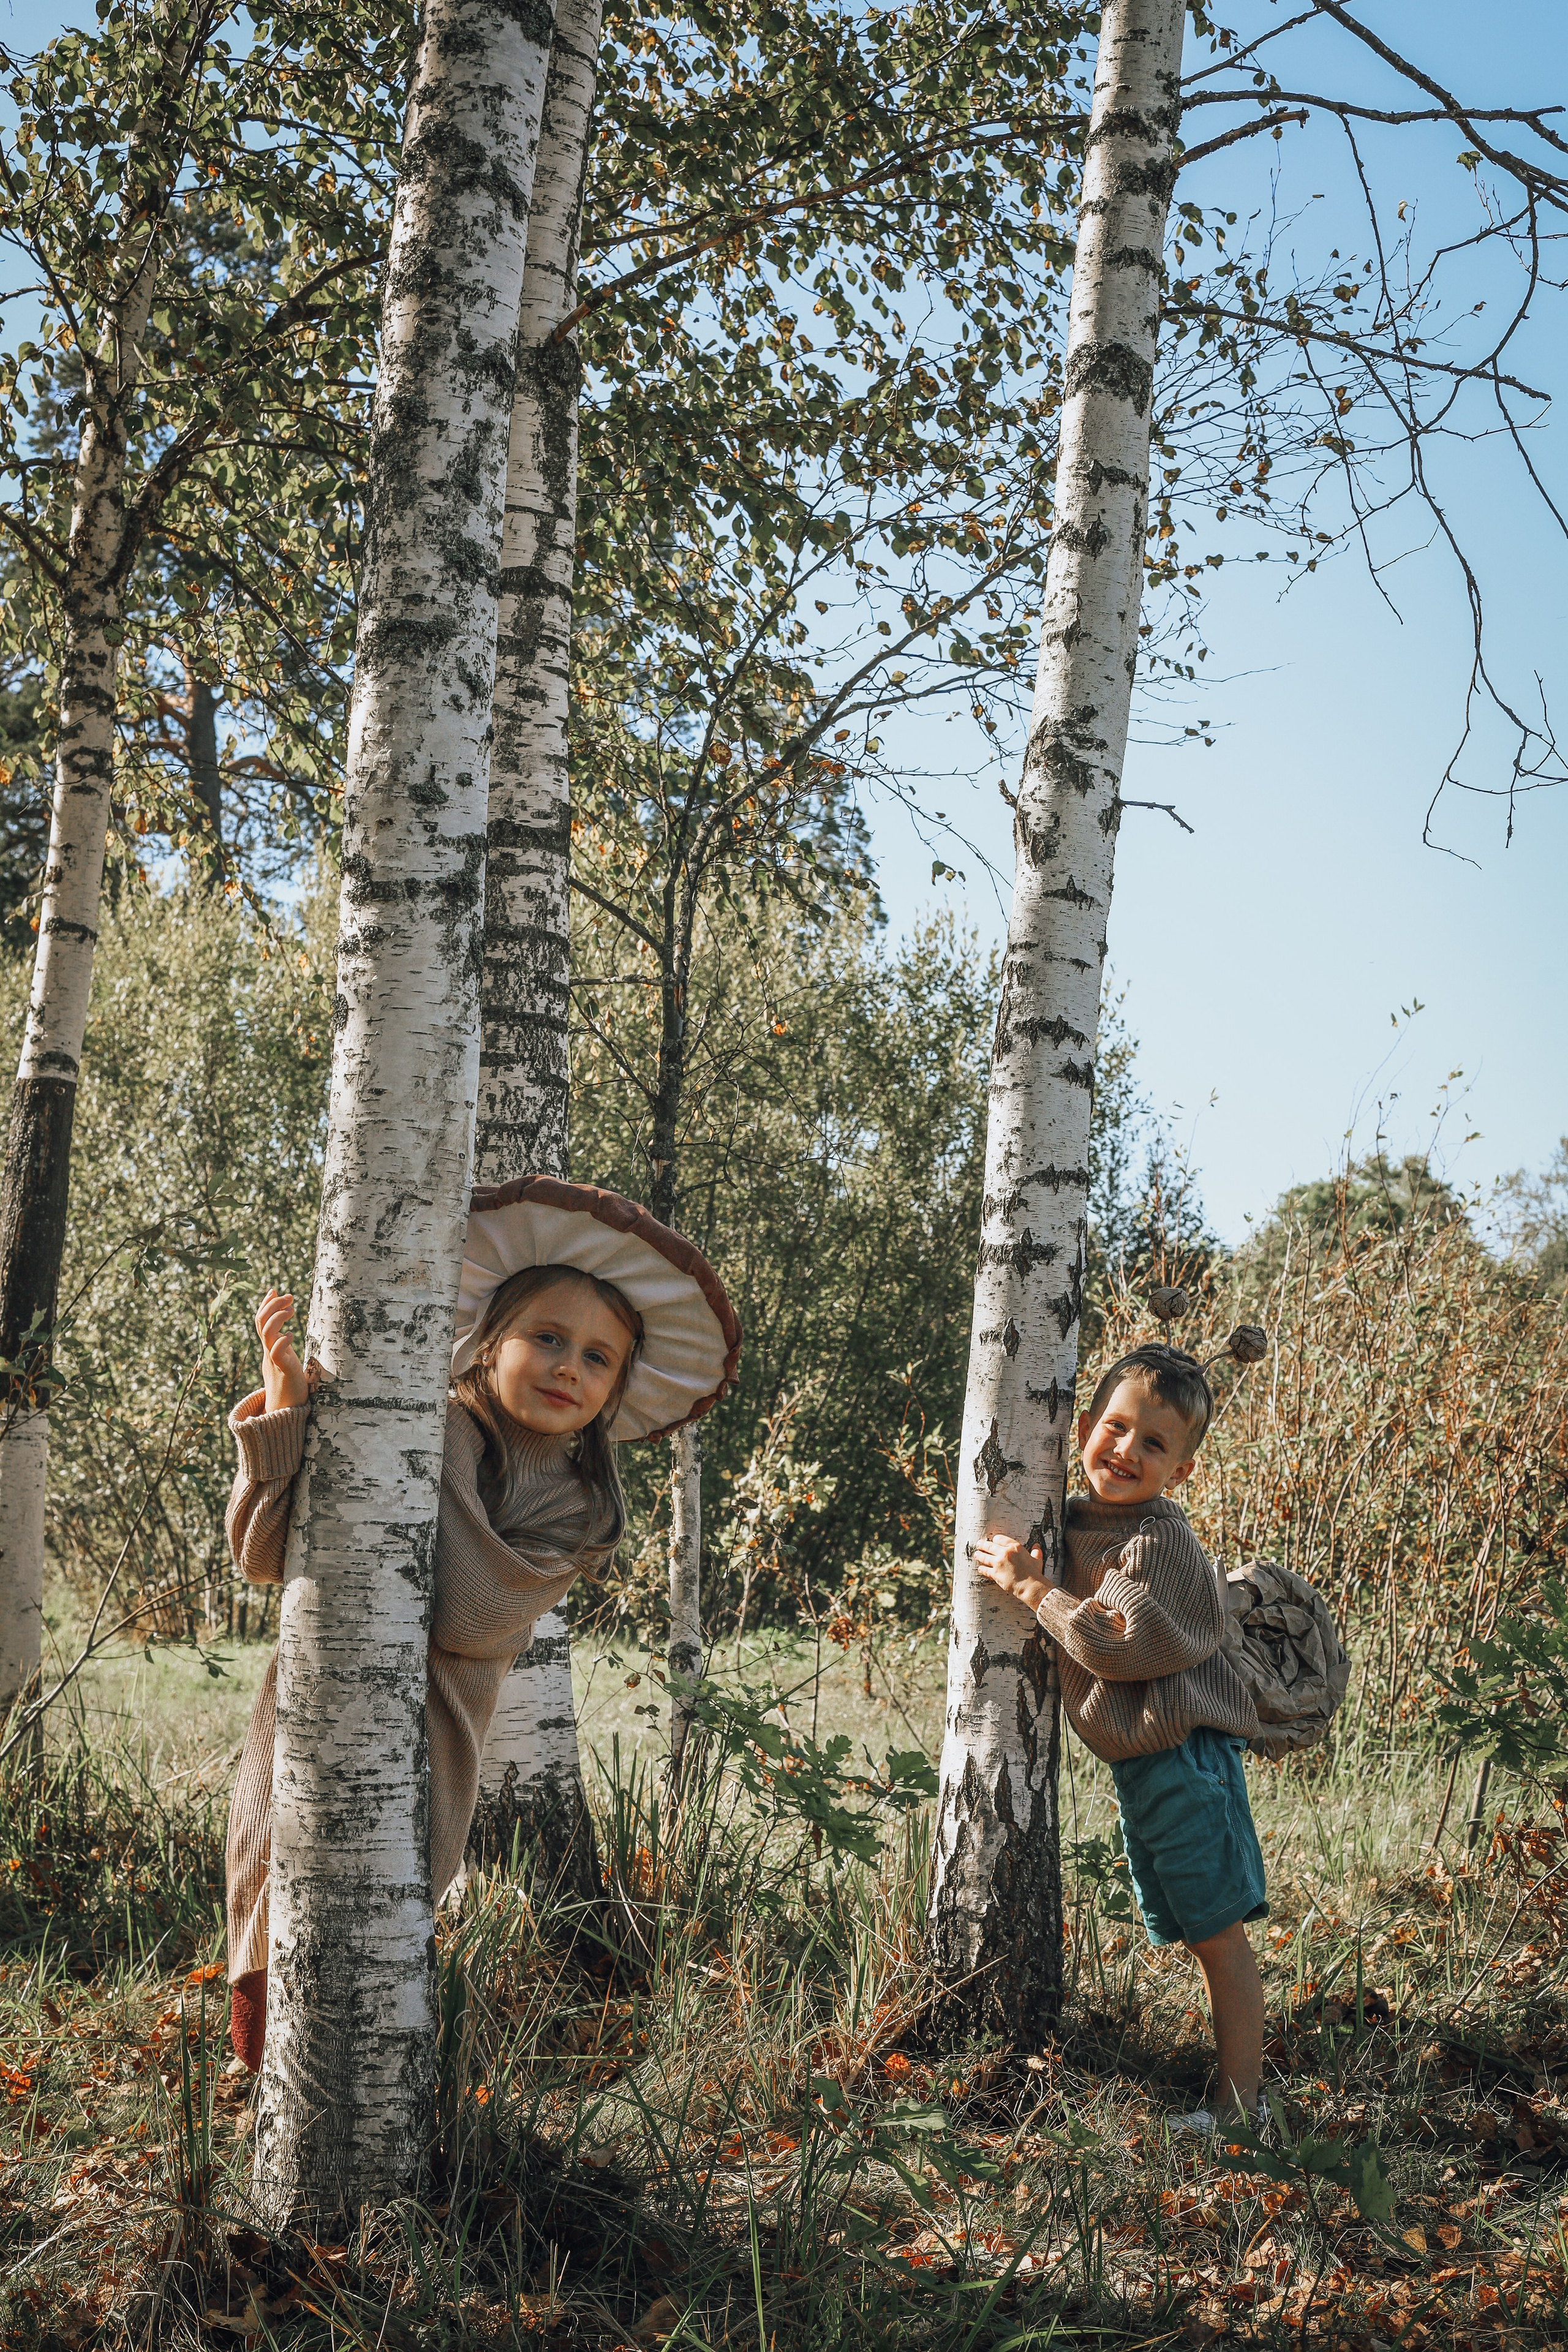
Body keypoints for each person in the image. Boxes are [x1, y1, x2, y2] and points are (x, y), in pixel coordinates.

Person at [223, 1175, 741, 2073]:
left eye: (597, 1358)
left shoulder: (577, 1509)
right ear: (488, 1341)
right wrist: (286, 1415)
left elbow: (470, 1610)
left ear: (616, 1390)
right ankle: (257, 2095)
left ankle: (370, 2107)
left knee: (379, 1926)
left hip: (426, 1753)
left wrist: (427, 1446)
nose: (568, 1367)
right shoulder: (414, 1426)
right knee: (269, 1894)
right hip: (305, 1713)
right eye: (547, 1337)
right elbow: (264, 1554)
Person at [974, 1344, 1267, 2135]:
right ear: (1082, 1433)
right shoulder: (1078, 1519)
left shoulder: (1156, 1541)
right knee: (1197, 1927)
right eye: (1115, 1427)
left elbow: (1113, 1643)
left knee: (1217, 1937)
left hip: (1187, 1759)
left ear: (1182, 1472)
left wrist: (1032, 1587)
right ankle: (1237, 2096)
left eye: (1154, 1444)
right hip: (1149, 1766)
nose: (1126, 1451)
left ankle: (1243, 2106)